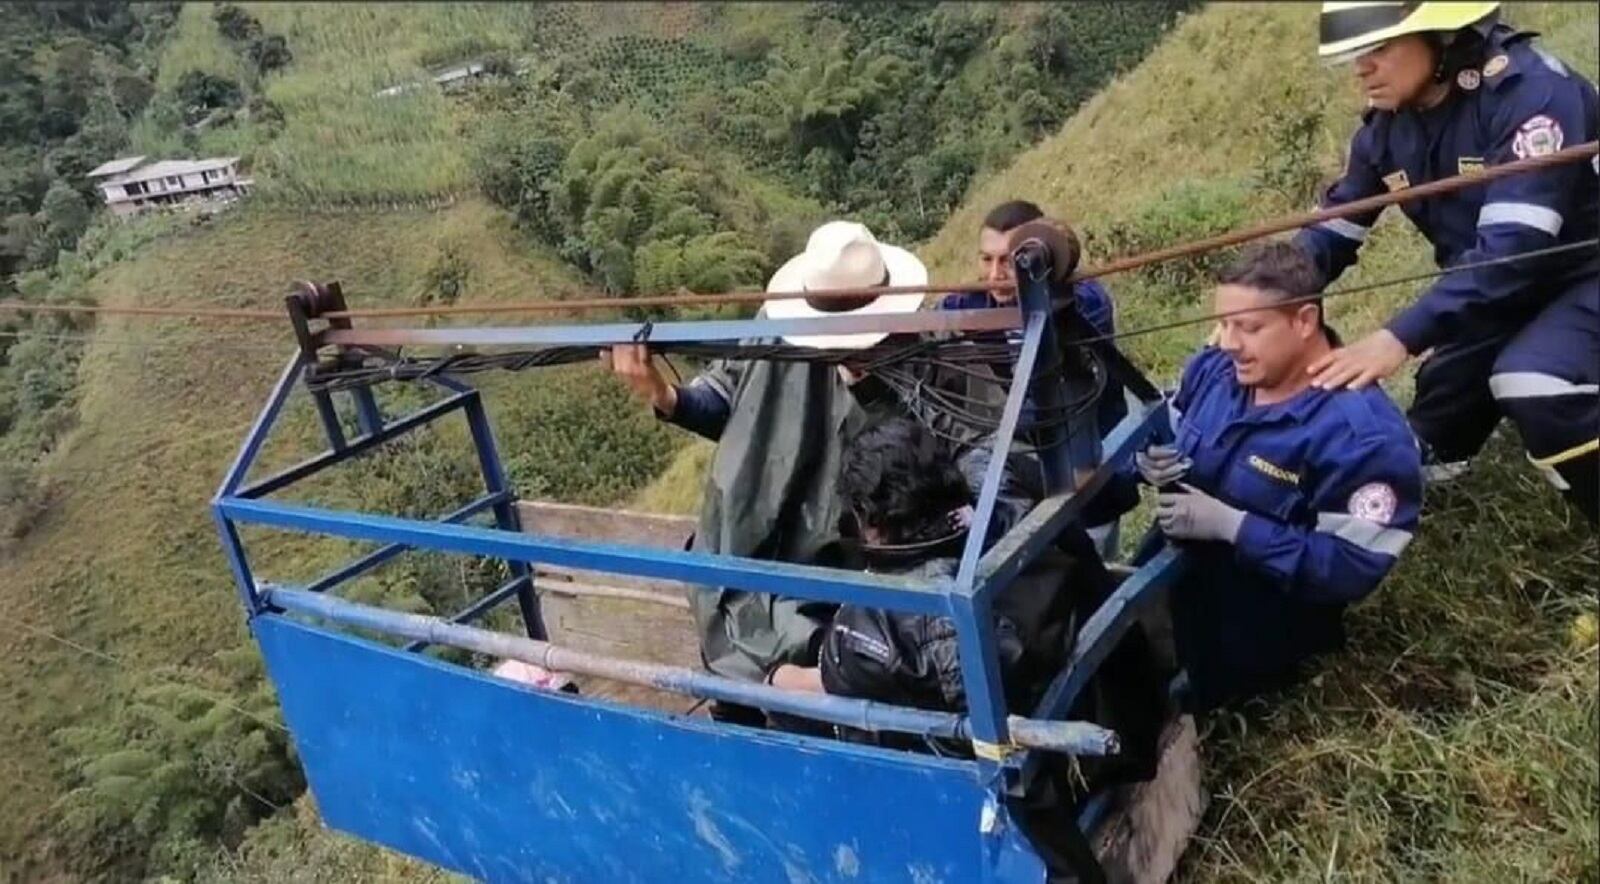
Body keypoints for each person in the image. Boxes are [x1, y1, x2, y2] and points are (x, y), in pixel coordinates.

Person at [600, 221, 929, 702]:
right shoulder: (774, 333)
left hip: (858, 557)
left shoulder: (918, 346)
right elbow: (728, 400)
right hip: (761, 536)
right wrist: (663, 393)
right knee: (738, 608)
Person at [1295, 1, 1597, 523]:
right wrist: (1264, 296)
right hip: (1499, 301)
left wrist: (1397, 337)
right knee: (1423, 448)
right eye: (1356, 54)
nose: (1362, 67)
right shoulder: (1387, 129)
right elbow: (1332, 231)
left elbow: (1512, 257)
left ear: (1441, 37)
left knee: (1531, 380)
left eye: (1379, 49)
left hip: (1582, 276)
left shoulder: (1530, 94)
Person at [1136, 243, 1422, 710]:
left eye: (1248, 327)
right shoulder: (1217, 371)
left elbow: (1351, 567)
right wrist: (1148, 459)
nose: (1228, 342)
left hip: (1264, 614)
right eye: (1224, 324)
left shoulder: (1361, 436)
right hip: (1175, 568)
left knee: (1184, 706)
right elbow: (1168, 423)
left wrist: (1236, 527)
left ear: (1304, 321)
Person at [940, 200, 1140, 556]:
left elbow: (1048, 397)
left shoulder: (1081, 304)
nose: (994, 275)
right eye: (987, 259)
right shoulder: (970, 304)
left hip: (1083, 468)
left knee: (1094, 567)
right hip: (1021, 481)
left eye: (1009, 260)